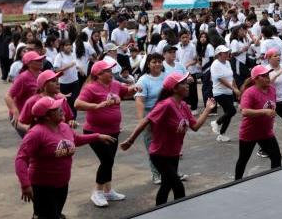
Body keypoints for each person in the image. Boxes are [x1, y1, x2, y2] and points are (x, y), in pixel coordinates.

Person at [121, 72, 216, 205]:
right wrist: (130, 140)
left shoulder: (183, 105)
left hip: (173, 153)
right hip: (159, 154)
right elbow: (145, 121)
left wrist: (207, 110)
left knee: (166, 186)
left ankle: (160, 211)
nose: (187, 86)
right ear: (174, 88)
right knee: (178, 187)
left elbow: (195, 126)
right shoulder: (166, 105)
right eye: (183, 83)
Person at [15, 96, 115, 219]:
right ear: (47, 116)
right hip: (43, 186)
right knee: (49, 216)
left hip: (62, 183)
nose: (62, 110)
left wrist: (97, 136)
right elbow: (21, 159)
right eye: (56, 109)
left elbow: (75, 139)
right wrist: (25, 185)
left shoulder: (64, 126)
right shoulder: (36, 133)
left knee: (52, 214)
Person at [74, 60, 140, 208]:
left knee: (109, 160)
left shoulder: (115, 84)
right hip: (95, 131)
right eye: (108, 71)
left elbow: (125, 91)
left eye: (111, 70)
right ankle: (97, 192)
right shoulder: (90, 88)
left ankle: (108, 190)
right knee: (107, 160)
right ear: (98, 74)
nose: (111, 73)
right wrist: (96, 106)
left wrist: (134, 88)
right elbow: (77, 104)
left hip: (114, 130)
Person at [235, 65, 281, 180]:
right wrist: (264, 112)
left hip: (266, 132)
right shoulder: (250, 92)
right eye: (264, 76)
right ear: (256, 79)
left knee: (276, 157)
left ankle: (274, 180)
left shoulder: (272, 89)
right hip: (249, 133)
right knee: (243, 160)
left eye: (268, 75)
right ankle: (236, 182)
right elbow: (244, 111)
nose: (267, 78)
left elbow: (273, 106)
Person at [133, 53, 167, 185]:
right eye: (154, 62)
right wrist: (142, 120)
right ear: (148, 64)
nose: (157, 64)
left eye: (159, 61)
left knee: (168, 145)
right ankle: (156, 173)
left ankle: (171, 171)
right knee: (153, 146)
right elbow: (140, 101)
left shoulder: (166, 77)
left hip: (165, 114)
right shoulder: (143, 80)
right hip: (150, 115)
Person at [6, 51, 46, 137]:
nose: (41, 61)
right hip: (22, 118)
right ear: (29, 64)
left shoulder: (41, 74)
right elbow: (8, 96)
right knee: (33, 143)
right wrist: (15, 111)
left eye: (41, 59)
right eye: (38, 60)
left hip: (34, 116)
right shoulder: (23, 78)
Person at [209, 45, 239, 142]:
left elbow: (231, 77)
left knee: (228, 114)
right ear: (219, 54)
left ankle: (221, 135)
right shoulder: (215, 64)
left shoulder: (228, 63)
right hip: (219, 92)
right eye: (225, 52)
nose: (227, 54)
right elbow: (221, 79)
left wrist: (236, 89)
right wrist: (234, 89)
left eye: (227, 52)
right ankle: (216, 123)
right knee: (232, 111)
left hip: (228, 92)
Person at [53, 40, 80, 117]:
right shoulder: (59, 56)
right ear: (62, 47)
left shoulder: (73, 54)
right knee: (66, 102)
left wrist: (79, 68)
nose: (69, 46)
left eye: (70, 45)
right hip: (64, 83)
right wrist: (68, 66)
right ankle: (67, 118)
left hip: (75, 81)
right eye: (66, 45)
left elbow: (75, 65)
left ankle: (73, 119)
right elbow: (56, 69)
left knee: (74, 101)